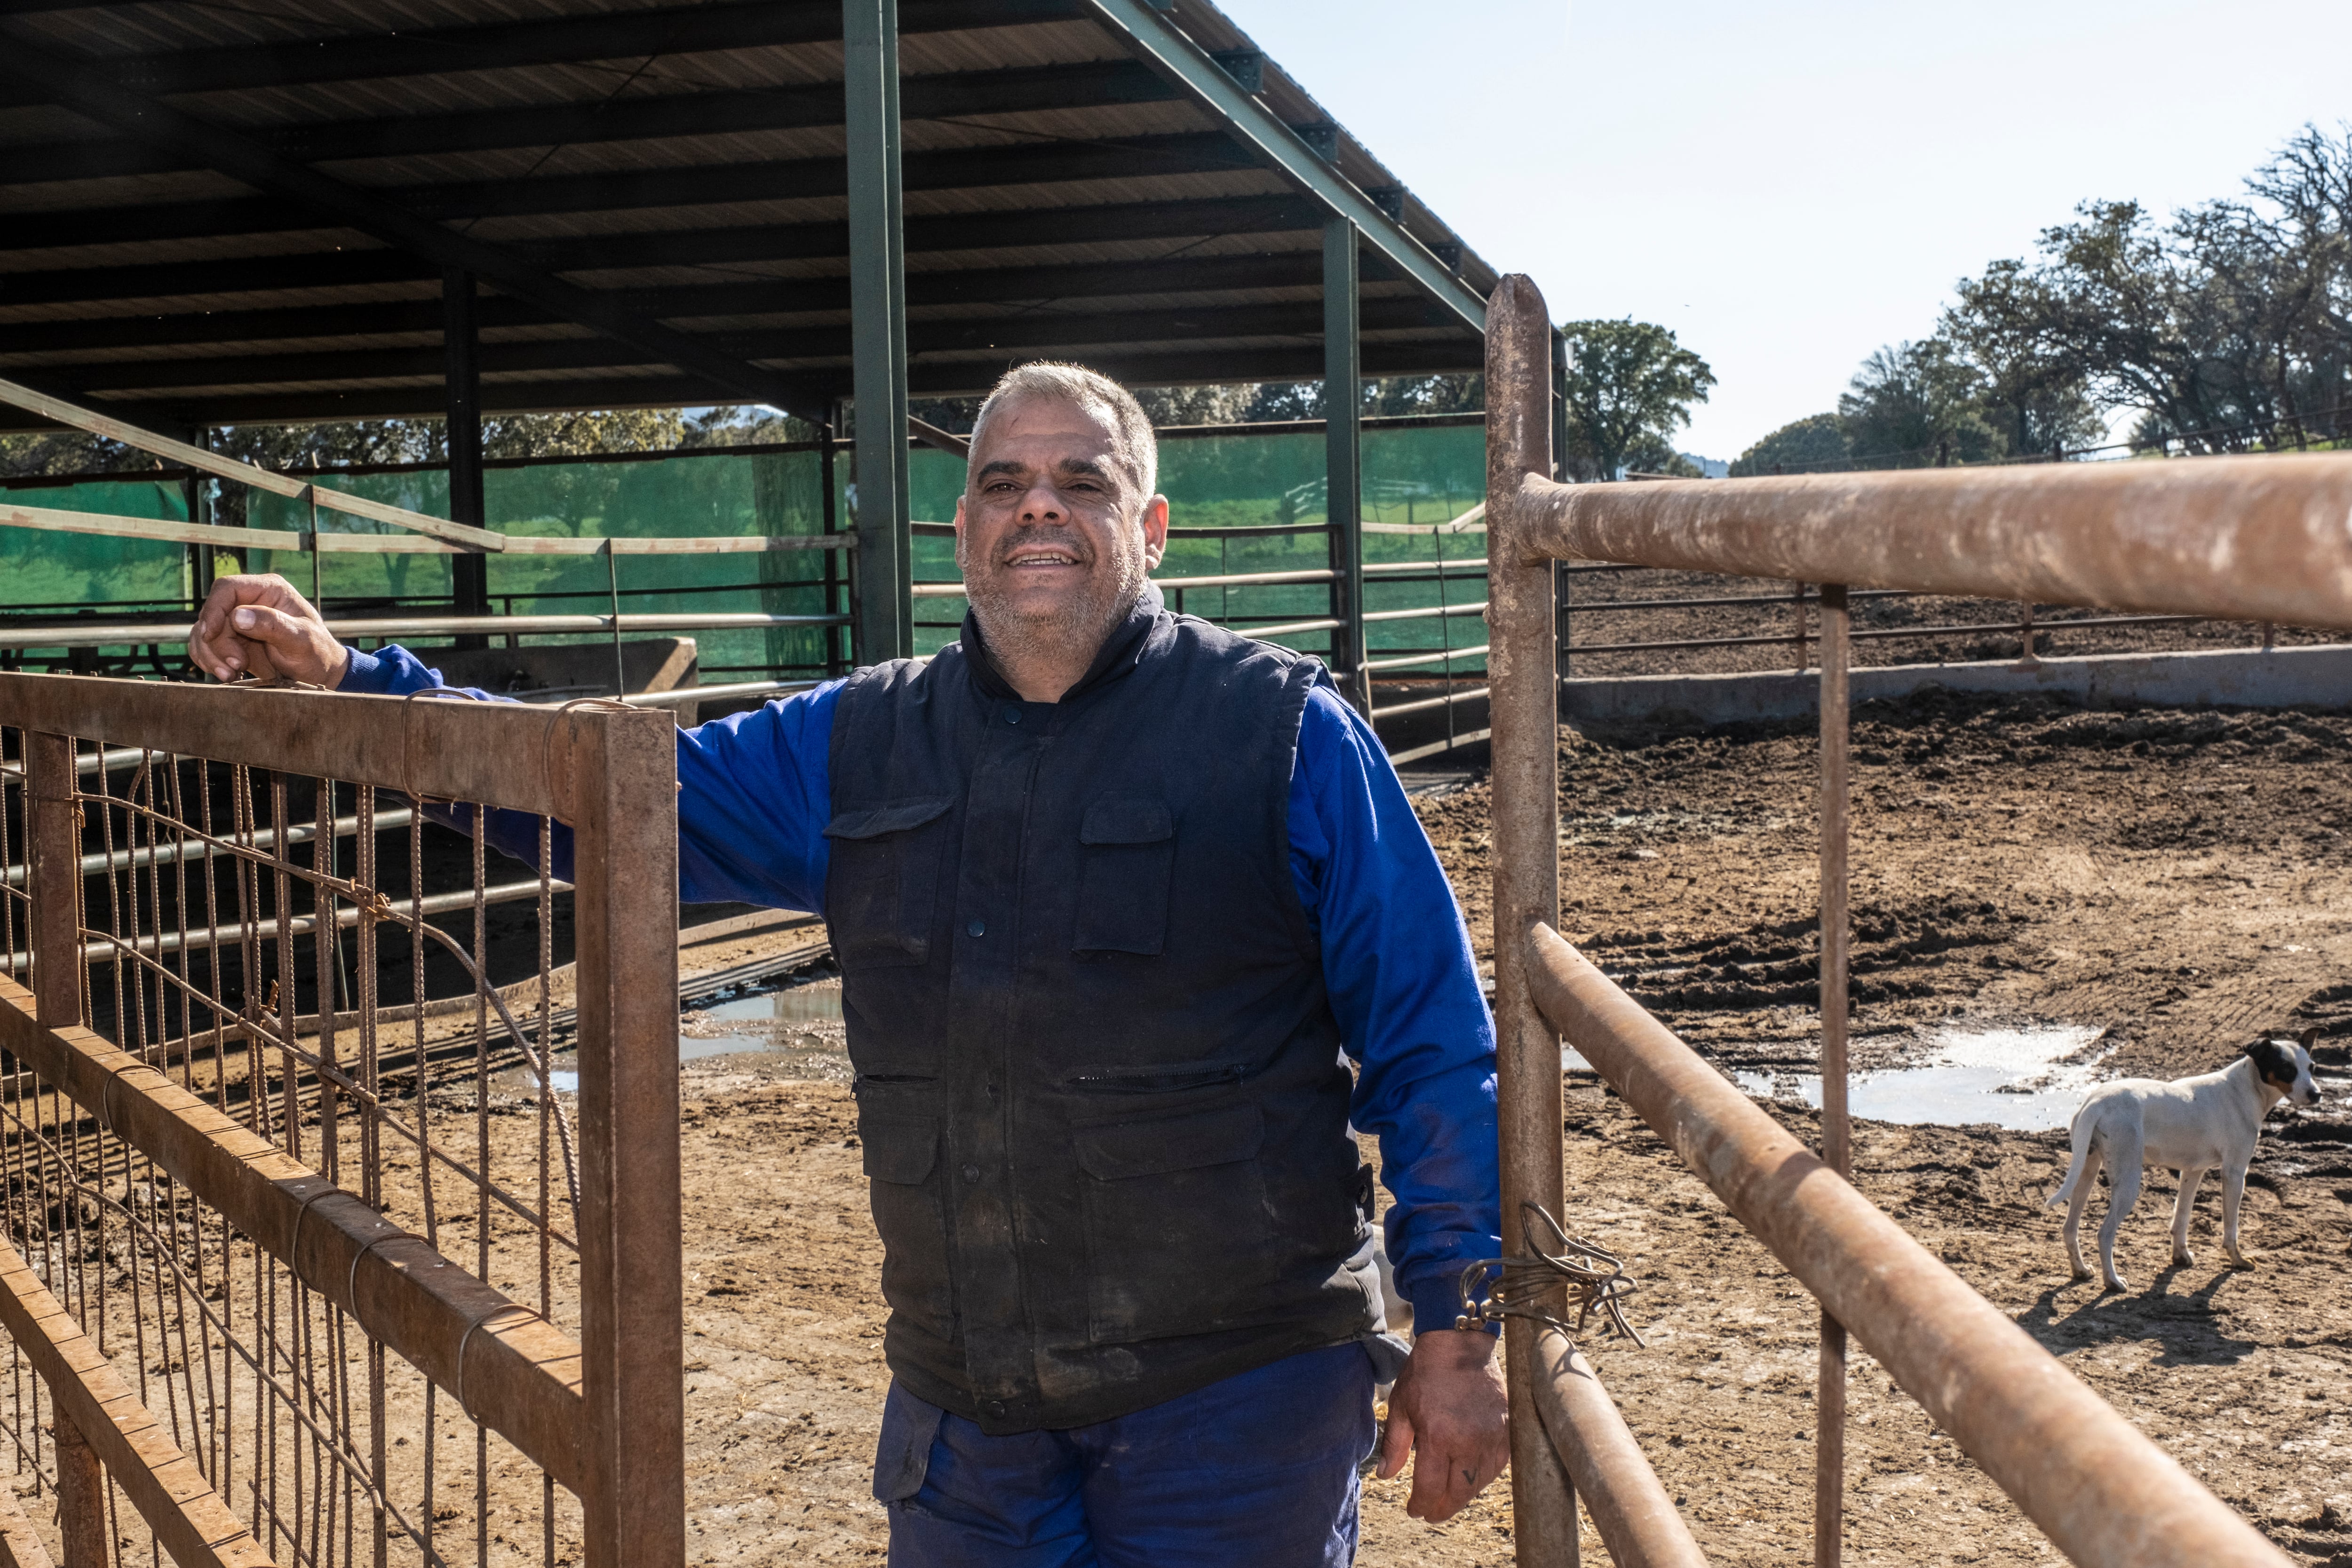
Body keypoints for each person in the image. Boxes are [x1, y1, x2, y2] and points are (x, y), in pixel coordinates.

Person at [188, 363, 1508, 1565]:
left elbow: (1429, 1038)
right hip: (968, 1412)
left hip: (1236, 1408)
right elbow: (604, 790)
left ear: (1150, 530)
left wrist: (1455, 1328)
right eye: (1003, 485)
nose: (1037, 510)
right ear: (962, 533)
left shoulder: (1284, 736)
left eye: (1081, 483)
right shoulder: (862, 743)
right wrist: (354, 678)